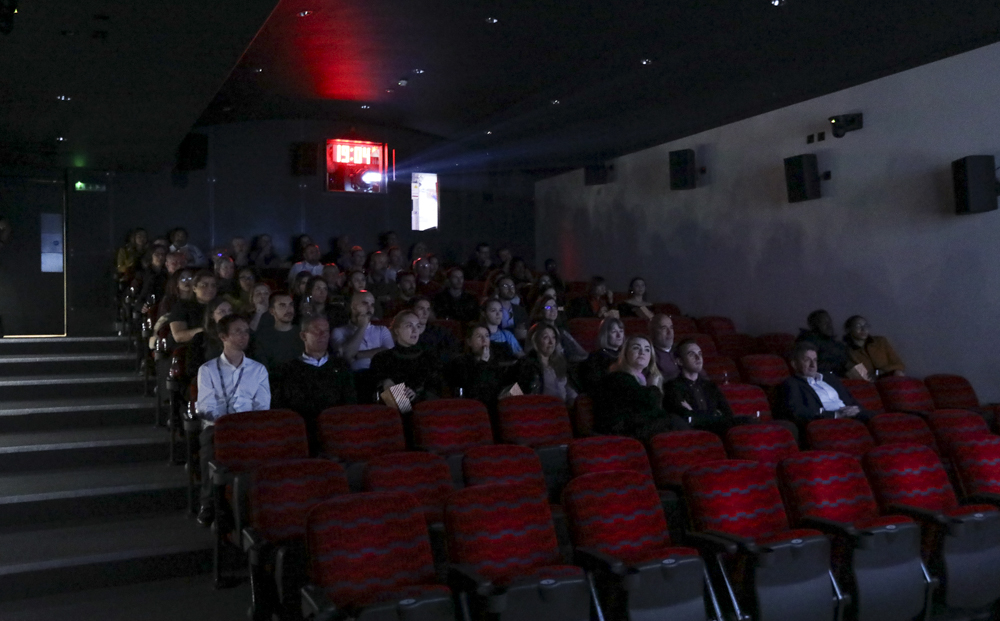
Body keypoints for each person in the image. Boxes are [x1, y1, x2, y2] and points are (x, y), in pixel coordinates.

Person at [194, 314, 270, 526]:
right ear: (223, 337)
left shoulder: (258, 370)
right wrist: (228, 420)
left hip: (248, 427)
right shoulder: (208, 369)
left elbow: (262, 406)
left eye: (246, 331)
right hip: (218, 427)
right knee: (211, 448)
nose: (243, 336)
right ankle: (208, 503)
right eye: (237, 331)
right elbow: (206, 407)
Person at [271, 315, 356, 454]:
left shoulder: (341, 366)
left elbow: (350, 403)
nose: (322, 335)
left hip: (337, 432)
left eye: (326, 331)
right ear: (304, 336)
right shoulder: (287, 370)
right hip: (301, 434)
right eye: (317, 331)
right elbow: (282, 408)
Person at [593, 335, 685, 442]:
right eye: (636, 348)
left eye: (647, 350)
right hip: (622, 434)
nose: (642, 352)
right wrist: (654, 386)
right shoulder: (618, 377)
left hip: (638, 431)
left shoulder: (642, 380)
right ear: (625, 353)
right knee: (673, 421)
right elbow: (647, 406)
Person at [776, 341, 871, 427]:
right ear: (794, 364)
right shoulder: (792, 383)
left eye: (815, 360)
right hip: (827, 422)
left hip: (853, 416)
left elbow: (850, 400)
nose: (813, 365)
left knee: (879, 420)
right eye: (807, 360)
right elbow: (797, 412)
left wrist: (857, 409)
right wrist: (836, 414)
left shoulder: (830, 378)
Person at [662, 339, 737, 436]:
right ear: (679, 361)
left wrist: (694, 413)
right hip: (693, 437)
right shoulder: (672, 387)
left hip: (720, 433)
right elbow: (687, 418)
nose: (698, 358)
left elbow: (728, 415)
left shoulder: (710, 386)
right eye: (692, 354)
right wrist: (715, 415)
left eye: (700, 353)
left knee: (747, 421)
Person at [370, 311, 444, 406]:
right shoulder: (382, 358)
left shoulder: (430, 358)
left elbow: (435, 390)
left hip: (423, 408)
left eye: (417, 326)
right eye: (409, 326)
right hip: (393, 410)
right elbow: (379, 392)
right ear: (397, 330)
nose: (415, 330)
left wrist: (416, 395)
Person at [447, 324, 509, 415]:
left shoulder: (495, 361)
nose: (484, 340)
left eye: (487, 336)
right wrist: (483, 362)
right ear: (469, 342)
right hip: (473, 409)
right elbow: (473, 390)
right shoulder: (460, 362)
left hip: (496, 406)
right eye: (479, 337)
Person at [514, 323, 577, 408]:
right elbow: (515, 394)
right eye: (546, 337)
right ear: (535, 341)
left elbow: (567, 386)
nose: (551, 342)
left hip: (563, 410)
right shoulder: (526, 365)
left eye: (553, 337)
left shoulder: (560, 361)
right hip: (542, 411)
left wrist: (574, 400)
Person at [250, 293, 302, 373]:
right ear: (272, 311)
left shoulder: (303, 334)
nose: (288, 309)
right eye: (282, 305)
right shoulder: (263, 338)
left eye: (290, 305)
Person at [843, 315, 905, 380]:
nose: (863, 329)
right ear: (849, 329)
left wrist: (882, 371)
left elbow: (899, 364)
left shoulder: (880, 342)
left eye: (866, 326)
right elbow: (860, 373)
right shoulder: (848, 351)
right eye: (858, 326)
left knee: (899, 373)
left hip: (888, 376)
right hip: (869, 381)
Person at [528, 295, 587, 363]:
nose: (552, 310)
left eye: (554, 307)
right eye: (548, 307)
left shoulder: (561, 329)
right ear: (540, 310)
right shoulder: (536, 329)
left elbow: (579, 350)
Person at [796, 309, 853, 377]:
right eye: (824, 323)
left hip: (846, 375)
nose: (829, 325)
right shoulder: (807, 341)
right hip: (826, 378)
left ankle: (867, 379)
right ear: (814, 326)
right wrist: (842, 364)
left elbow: (849, 362)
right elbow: (809, 365)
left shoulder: (837, 344)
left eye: (829, 321)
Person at [577, 317, 625, 393]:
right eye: (614, 331)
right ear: (605, 334)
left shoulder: (626, 354)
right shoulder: (595, 358)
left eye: (621, 331)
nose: (619, 335)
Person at [169, 270, 216, 345]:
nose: (210, 289)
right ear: (194, 288)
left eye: (213, 285)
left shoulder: (219, 305)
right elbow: (178, 336)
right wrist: (205, 330)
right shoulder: (182, 306)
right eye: (204, 285)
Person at [185, 298, 232, 373]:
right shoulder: (201, 338)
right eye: (222, 312)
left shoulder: (239, 335)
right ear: (212, 316)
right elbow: (192, 369)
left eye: (230, 311)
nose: (228, 315)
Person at [410, 296, 461, 363]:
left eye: (428, 309)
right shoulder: (405, 333)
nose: (425, 313)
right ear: (412, 310)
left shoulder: (440, 332)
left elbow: (455, 349)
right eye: (421, 309)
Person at [649, 314, 685, 381]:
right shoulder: (650, 356)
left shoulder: (682, 349)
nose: (670, 332)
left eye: (671, 327)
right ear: (652, 332)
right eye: (664, 328)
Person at [494, 275, 528, 340]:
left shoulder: (520, 310)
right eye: (505, 286)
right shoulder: (492, 310)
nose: (510, 289)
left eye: (512, 286)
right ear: (498, 290)